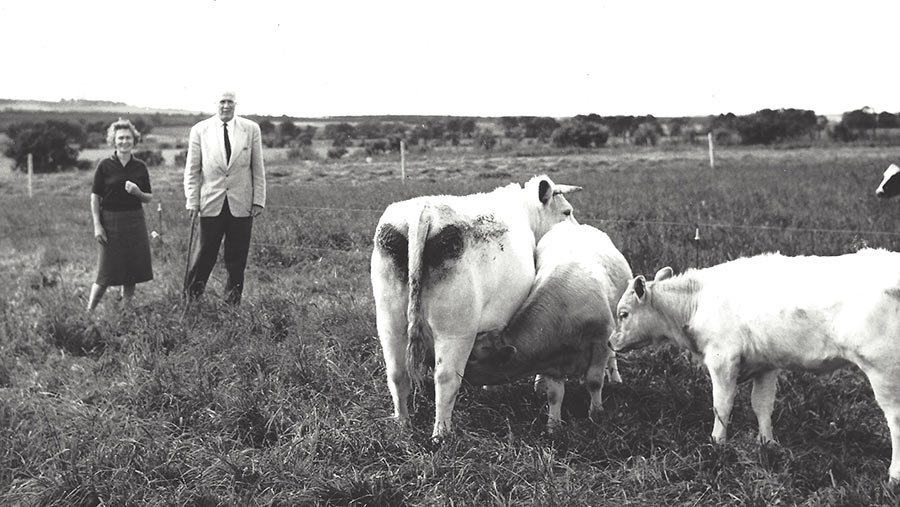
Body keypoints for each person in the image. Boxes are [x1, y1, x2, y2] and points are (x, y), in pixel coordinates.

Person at [183, 90, 266, 305]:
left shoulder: (250, 129)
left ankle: (232, 306)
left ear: (236, 104)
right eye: (222, 102)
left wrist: (258, 200)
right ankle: (191, 301)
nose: (226, 106)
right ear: (215, 104)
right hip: (210, 203)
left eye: (230, 102)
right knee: (203, 256)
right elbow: (192, 170)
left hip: (242, 204)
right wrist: (192, 201)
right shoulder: (200, 130)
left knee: (237, 259)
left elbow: (258, 167)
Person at [87, 119, 154, 311]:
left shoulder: (140, 166)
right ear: (114, 141)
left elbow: (148, 197)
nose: (125, 141)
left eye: (128, 138)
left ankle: (127, 310)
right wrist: (97, 225)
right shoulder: (105, 165)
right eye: (120, 138)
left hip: (134, 220)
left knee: (132, 268)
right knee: (105, 272)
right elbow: (95, 197)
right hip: (110, 221)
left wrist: (137, 193)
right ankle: (89, 313)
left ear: (134, 140)